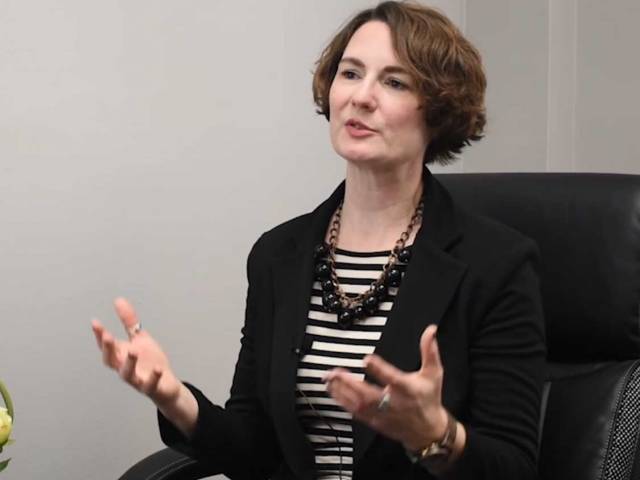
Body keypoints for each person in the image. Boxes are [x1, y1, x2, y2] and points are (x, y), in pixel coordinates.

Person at [91, 2, 546, 479]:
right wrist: (175, 399)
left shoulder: (497, 265)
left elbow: (513, 469)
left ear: (439, 108)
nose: (361, 97)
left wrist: (436, 434)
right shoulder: (278, 255)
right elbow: (258, 452)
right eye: (350, 74)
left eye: (394, 82)